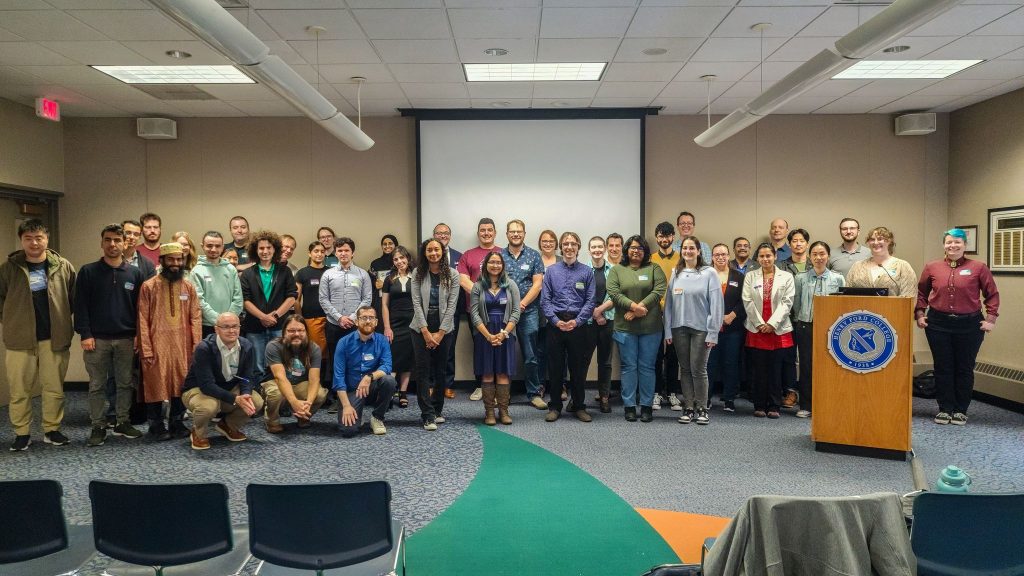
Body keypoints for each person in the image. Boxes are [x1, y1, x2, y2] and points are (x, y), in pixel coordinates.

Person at [1, 219, 76, 451]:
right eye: (28, 238)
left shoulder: (63, 266)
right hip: (19, 340)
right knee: (19, 390)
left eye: (38, 237)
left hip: (53, 339)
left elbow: (72, 299)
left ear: (47, 239)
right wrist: (12, 320)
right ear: (22, 240)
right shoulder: (8, 269)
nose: (34, 242)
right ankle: (22, 434)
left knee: (53, 388)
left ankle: (52, 430)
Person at [916, 228, 999, 426]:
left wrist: (991, 318)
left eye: (957, 242)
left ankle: (961, 410)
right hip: (938, 324)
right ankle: (945, 409)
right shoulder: (932, 267)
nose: (953, 245)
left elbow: (992, 294)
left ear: (965, 246)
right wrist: (920, 313)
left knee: (964, 368)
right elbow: (921, 293)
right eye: (949, 242)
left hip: (969, 325)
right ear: (944, 244)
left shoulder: (979, 267)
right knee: (943, 367)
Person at [75, 223, 146, 446]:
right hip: (97, 339)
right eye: (108, 240)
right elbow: (81, 306)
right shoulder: (88, 271)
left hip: (126, 338)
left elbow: (140, 309)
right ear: (102, 242)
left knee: (125, 383)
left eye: (117, 240)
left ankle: (122, 422)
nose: (112, 244)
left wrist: (138, 335)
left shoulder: (135, 273)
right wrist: (85, 334)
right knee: (97, 385)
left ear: (125, 243)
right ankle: (98, 425)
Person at [137, 243, 202, 440]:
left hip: (183, 345)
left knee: (181, 382)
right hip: (157, 345)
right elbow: (142, 319)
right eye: (171, 259)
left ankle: (176, 422)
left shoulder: (188, 287)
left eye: (179, 259)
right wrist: (146, 349)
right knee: (155, 383)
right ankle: (156, 425)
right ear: (162, 261)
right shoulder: (149, 286)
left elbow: (196, 317)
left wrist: (196, 346)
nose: (176, 263)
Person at [181, 312, 263, 450]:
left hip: (227, 388)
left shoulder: (246, 346)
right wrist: (236, 399)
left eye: (235, 326)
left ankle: (228, 425)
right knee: (208, 407)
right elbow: (206, 385)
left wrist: (246, 394)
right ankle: (198, 433)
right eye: (226, 327)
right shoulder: (204, 348)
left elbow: (247, 376)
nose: (231, 331)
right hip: (198, 389)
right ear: (216, 329)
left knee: (256, 402)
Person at [664, 236, 722, 425]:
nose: (688, 251)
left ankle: (702, 408)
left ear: (699, 251)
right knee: (685, 369)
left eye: (692, 248)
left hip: (701, 330)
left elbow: (716, 305)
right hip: (679, 328)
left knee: (699, 369)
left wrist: (713, 332)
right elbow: (669, 305)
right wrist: (668, 331)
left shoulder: (709, 273)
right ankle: (688, 407)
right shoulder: (676, 272)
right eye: (685, 248)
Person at [608, 235, 666, 423]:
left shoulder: (654, 268)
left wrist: (637, 309)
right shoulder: (617, 270)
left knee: (647, 367)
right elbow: (614, 293)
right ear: (627, 250)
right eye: (633, 248)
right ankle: (630, 406)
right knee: (628, 367)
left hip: (651, 327)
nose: (636, 251)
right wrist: (634, 308)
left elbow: (659, 290)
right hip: (624, 328)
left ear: (645, 251)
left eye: (640, 248)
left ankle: (647, 406)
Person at [541, 232, 595, 422]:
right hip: (555, 325)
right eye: (566, 244)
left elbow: (590, 301)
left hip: (578, 326)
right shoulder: (551, 271)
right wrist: (556, 321)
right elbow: (545, 300)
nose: (569, 247)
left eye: (573, 244)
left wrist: (577, 321)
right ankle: (555, 407)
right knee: (555, 368)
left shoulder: (587, 272)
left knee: (578, 369)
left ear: (578, 247)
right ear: (561, 247)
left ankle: (579, 406)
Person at [790, 241, 845, 419]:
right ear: (810, 256)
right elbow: (796, 305)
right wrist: (800, 321)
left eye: (822, 254)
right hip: (805, 326)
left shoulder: (837, 279)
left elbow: (842, 305)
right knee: (806, 366)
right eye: (814, 254)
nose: (818, 257)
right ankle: (806, 405)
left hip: (831, 329)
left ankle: (827, 404)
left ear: (828, 256)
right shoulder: (801, 278)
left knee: (829, 366)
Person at [410, 238, 460, 430]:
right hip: (419, 327)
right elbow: (415, 303)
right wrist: (425, 331)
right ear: (424, 253)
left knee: (440, 371)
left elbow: (452, 306)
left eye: (436, 249)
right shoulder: (418, 273)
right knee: (423, 372)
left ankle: (437, 410)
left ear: (442, 252)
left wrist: (439, 333)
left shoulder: (453, 275)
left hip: (444, 328)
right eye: (429, 250)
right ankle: (427, 414)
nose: (433, 253)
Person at [742, 243, 796, 419]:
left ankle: (774, 405)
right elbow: (747, 301)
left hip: (778, 328)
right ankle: (759, 405)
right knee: (758, 369)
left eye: (768, 256)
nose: (765, 259)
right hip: (756, 328)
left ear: (775, 257)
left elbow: (787, 302)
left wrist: (772, 324)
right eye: (762, 256)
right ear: (757, 258)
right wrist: (759, 323)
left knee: (775, 369)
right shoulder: (750, 276)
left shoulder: (786, 277)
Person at [240, 230, 297, 383]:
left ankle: (280, 399)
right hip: (254, 326)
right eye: (261, 248)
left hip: (279, 325)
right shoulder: (247, 274)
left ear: (275, 249)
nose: (265, 251)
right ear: (255, 250)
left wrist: (276, 315)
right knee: (256, 366)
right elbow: (245, 300)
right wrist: (263, 317)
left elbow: (292, 297)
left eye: (269, 248)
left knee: (280, 364)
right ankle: (259, 398)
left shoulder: (284, 272)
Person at [471, 252, 521, 425]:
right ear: (486, 265)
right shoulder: (478, 286)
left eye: (498, 262)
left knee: (502, 372)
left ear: (503, 265)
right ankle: (489, 413)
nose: (495, 265)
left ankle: (504, 411)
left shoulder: (511, 285)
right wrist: (488, 335)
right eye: (491, 262)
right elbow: (474, 313)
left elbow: (516, 312)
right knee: (487, 373)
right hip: (484, 333)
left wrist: (503, 333)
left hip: (506, 333)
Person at [502, 219, 547, 410]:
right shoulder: (498, 255)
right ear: (507, 234)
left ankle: (534, 393)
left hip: (528, 312)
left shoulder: (534, 255)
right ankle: (504, 395)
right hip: (503, 313)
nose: (515, 234)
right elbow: (493, 283)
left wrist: (522, 304)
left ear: (524, 234)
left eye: (519, 231)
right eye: (512, 231)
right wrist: (512, 307)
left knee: (531, 355)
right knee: (505, 354)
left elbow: (538, 284)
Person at [333, 306, 397, 437]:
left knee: (389, 380)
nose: (368, 321)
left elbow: (387, 366)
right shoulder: (343, 343)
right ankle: (357, 413)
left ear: (376, 322)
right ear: (356, 321)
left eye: (371, 318)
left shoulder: (382, 341)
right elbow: (338, 377)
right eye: (363, 318)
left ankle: (377, 417)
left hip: (371, 387)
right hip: (351, 390)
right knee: (348, 431)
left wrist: (369, 377)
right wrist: (346, 406)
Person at [458, 218, 503, 402]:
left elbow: (509, 279)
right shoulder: (468, 254)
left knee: (500, 346)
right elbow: (463, 279)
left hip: (500, 311)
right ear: (478, 233)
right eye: (483, 230)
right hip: (475, 310)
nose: (486, 233)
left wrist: (494, 297)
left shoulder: (503, 253)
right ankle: (480, 385)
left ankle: (499, 387)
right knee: (480, 347)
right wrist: (484, 296)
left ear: (494, 232)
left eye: (489, 230)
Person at [318, 236, 371, 390]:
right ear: (335, 253)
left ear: (352, 253)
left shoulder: (362, 274)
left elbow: (367, 298)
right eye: (340, 250)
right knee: (335, 359)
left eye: (346, 250)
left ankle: (355, 392)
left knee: (356, 358)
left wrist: (353, 318)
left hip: (355, 326)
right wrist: (340, 318)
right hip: (334, 325)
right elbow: (323, 299)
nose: (343, 253)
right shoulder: (328, 274)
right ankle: (337, 394)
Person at [262, 315, 327, 433]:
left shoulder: (314, 348)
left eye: (300, 330)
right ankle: (272, 420)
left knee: (320, 394)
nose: (296, 334)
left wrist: (309, 403)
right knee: (275, 393)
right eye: (291, 331)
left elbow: (314, 379)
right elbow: (279, 378)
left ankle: (303, 416)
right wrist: (294, 402)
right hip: (276, 383)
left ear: (306, 332)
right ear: (284, 332)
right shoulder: (273, 346)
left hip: (299, 384)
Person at [706, 243, 746, 412]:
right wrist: (714, 317)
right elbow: (700, 300)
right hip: (710, 328)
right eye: (717, 254)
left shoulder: (739, 276)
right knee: (709, 364)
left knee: (731, 363)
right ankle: (705, 398)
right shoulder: (705, 275)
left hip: (733, 328)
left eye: (723, 254)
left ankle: (729, 399)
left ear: (729, 256)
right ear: (712, 257)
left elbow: (745, 300)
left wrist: (732, 315)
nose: (720, 257)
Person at [776, 228, 809, 408]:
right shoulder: (781, 265)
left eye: (801, 241)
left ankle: (808, 394)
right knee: (788, 357)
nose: (798, 244)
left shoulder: (815, 264)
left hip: (809, 319)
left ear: (806, 244)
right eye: (794, 241)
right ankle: (790, 392)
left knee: (808, 358)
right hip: (787, 319)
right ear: (789, 245)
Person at [651, 221, 681, 411]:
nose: (664, 239)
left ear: (673, 237)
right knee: (655, 355)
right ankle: (655, 393)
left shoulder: (681, 258)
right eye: (661, 236)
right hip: (654, 313)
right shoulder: (650, 258)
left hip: (677, 313)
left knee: (673, 355)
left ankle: (671, 393)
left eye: (668, 236)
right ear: (656, 238)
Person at [191, 231, 243, 338]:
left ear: (222, 247)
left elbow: (238, 298)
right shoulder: (197, 271)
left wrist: (228, 321)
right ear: (202, 246)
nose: (214, 249)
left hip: (231, 326)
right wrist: (220, 321)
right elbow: (199, 301)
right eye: (209, 246)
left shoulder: (231, 269)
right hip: (209, 326)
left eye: (217, 246)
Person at [432, 223, 463, 401]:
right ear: (434, 235)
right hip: (432, 308)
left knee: (449, 348)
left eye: (446, 233)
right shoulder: (428, 254)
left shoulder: (459, 256)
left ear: (450, 236)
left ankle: (447, 385)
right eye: (439, 233)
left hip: (453, 310)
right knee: (430, 347)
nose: (442, 236)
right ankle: (431, 384)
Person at [584, 235, 615, 413]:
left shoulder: (613, 269)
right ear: (589, 250)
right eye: (593, 247)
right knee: (583, 360)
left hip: (608, 320)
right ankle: (577, 398)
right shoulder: (583, 270)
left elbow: (614, 294)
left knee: (605, 362)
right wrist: (595, 314)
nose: (597, 250)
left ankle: (604, 397)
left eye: (599, 247)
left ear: (604, 249)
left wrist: (600, 310)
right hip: (588, 322)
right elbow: (582, 296)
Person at [382, 245, 415, 408]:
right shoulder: (389, 279)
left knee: (408, 359)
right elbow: (384, 305)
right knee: (393, 359)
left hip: (412, 324)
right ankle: (389, 392)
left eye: (402, 258)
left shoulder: (416, 276)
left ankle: (403, 392)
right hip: (394, 324)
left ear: (408, 258)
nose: (399, 261)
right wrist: (387, 327)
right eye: (396, 259)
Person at [845, 226, 917, 297]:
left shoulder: (902, 266)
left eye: (880, 239)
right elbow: (846, 295)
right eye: (872, 239)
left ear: (889, 241)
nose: (876, 243)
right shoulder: (857, 266)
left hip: (892, 308)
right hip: (859, 309)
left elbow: (909, 296)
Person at [536, 228, 563, 401]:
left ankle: (560, 385)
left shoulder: (562, 260)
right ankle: (540, 385)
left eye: (551, 241)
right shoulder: (535, 260)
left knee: (561, 352)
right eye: (544, 241)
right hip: (539, 311)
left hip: (560, 312)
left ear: (556, 244)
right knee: (540, 351)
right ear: (540, 243)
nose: (548, 244)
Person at [294, 241, 329, 363]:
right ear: (309, 253)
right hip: (311, 318)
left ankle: (328, 380)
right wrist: (300, 319)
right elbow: (296, 300)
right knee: (315, 353)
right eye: (316, 251)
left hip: (330, 318)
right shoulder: (302, 273)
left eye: (322, 251)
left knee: (330, 352)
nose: (319, 254)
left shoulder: (330, 272)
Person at [370, 234, 398, 333]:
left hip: (396, 301)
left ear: (396, 245)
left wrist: (386, 284)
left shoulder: (400, 262)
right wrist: (375, 283)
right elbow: (371, 281)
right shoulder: (375, 263)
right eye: (384, 244)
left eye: (390, 243)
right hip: (381, 301)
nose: (387, 246)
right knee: (382, 329)